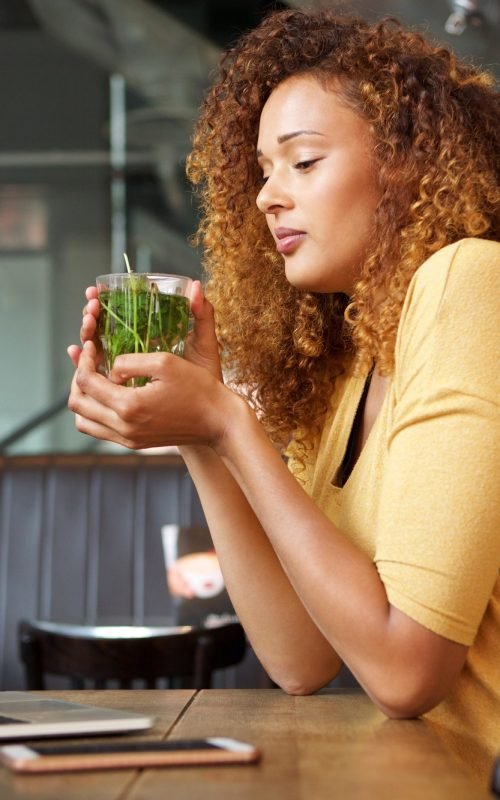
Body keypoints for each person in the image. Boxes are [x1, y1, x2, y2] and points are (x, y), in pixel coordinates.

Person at [68, 9, 500, 785]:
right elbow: (299, 658)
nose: (268, 196)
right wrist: (201, 436)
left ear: (404, 162)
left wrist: (231, 424)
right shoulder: (353, 362)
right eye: (264, 171)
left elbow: (408, 676)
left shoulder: (469, 280)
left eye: (301, 162)